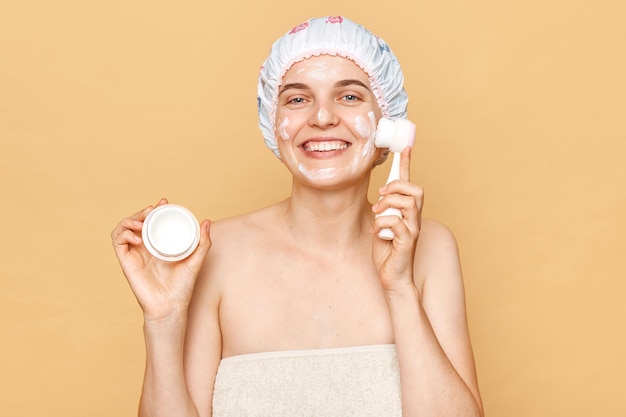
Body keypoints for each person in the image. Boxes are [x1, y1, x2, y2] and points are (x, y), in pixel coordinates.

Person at [111, 16, 483, 417]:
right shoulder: (213, 252)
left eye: (350, 97)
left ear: (388, 126)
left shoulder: (431, 249)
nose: (322, 118)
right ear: (274, 122)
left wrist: (399, 288)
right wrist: (163, 322)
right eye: (298, 99)